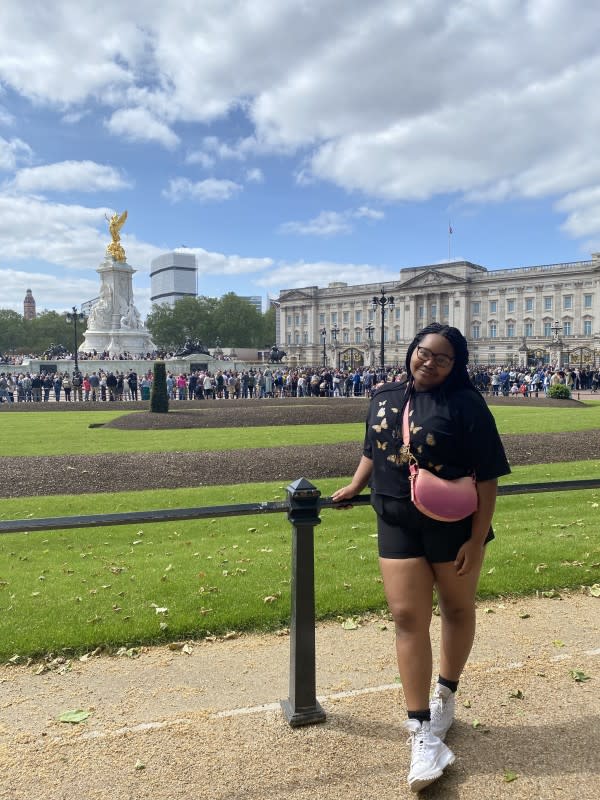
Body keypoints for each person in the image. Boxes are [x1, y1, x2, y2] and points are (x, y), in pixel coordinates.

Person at [332, 323, 510, 793]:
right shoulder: (384, 395)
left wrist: (475, 539)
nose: (428, 363)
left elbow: (488, 477)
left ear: (456, 365)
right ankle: (421, 731)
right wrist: (356, 483)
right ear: (412, 352)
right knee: (407, 617)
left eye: (441, 358)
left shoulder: (467, 404)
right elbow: (376, 447)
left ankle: (446, 692)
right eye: (423, 353)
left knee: (455, 609)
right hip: (395, 518)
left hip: (453, 526)